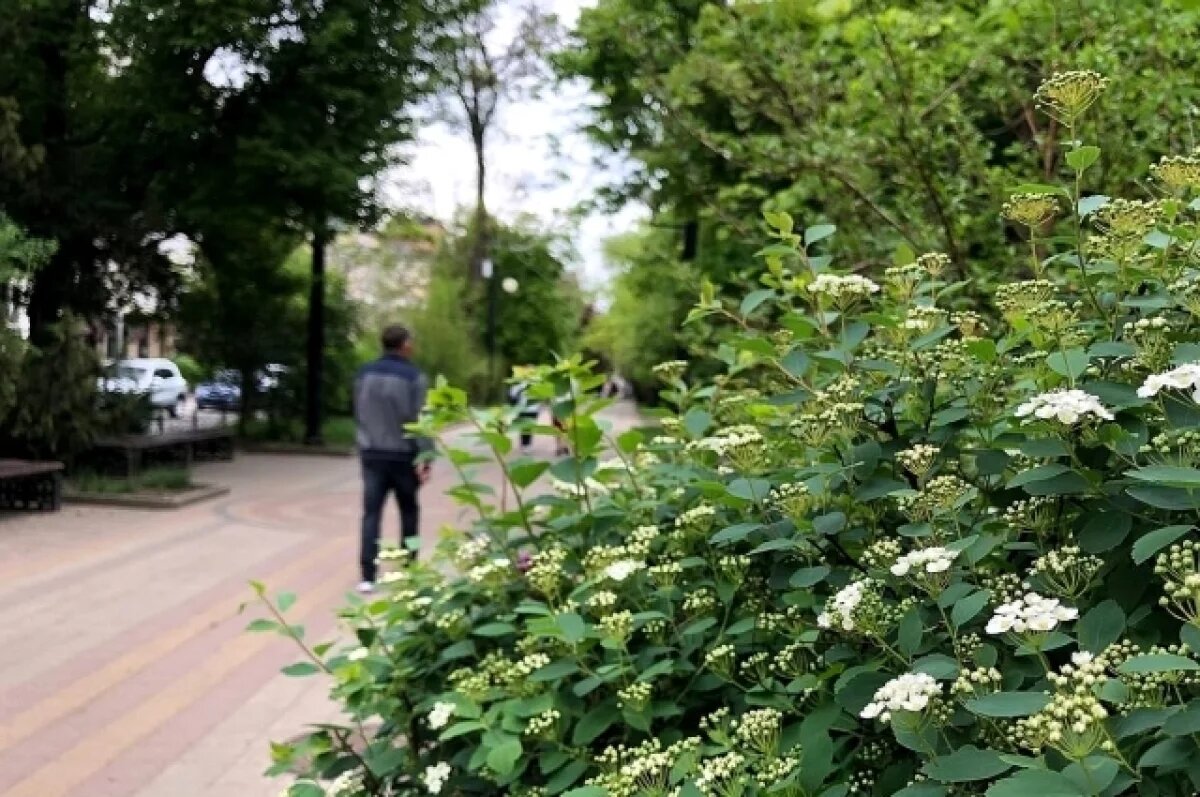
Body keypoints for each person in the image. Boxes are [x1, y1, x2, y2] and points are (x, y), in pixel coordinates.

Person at [354, 324, 431, 593]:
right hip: (402, 455)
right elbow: (419, 418)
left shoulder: (364, 373)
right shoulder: (414, 377)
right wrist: (426, 456)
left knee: (371, 513)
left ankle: (367, 574)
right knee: (409, 511)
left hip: (371, 452)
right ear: (405, 345)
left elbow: (358, 410)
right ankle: (409, 570)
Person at [507, 369, 542, 452]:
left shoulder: (517, 387)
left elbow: (511, 395)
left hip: (522, 410)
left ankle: (524, 444)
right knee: (528, 428)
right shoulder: (536, 386)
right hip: (533, 410)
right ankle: (526, 445)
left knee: (524, 428)